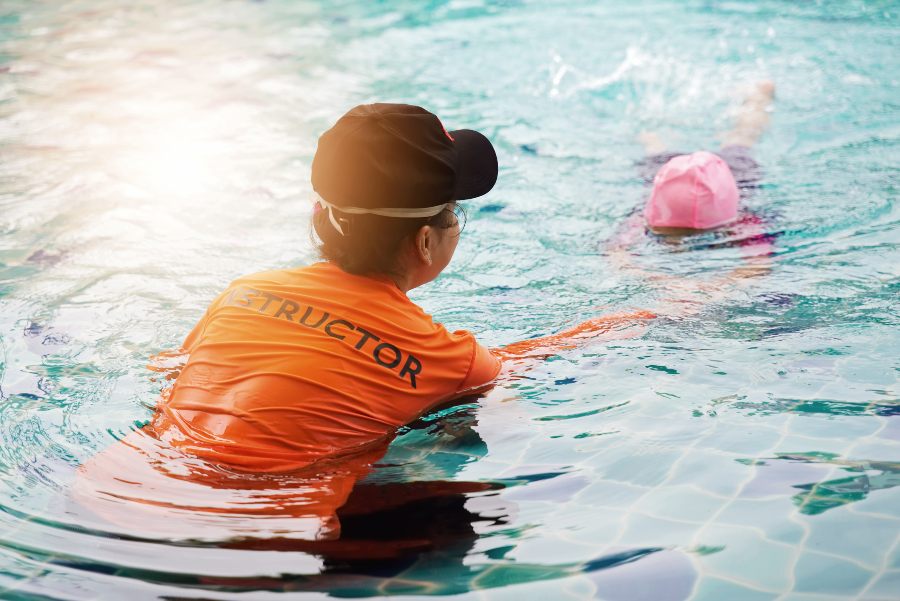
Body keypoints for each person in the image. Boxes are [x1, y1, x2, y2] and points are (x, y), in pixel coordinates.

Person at [72, 103, 653, 541]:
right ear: (426, 241)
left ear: (321, 215)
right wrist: (648, 316)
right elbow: (525, 370)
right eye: (456, 216)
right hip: (253, 539)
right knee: (471, 509)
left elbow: (172, 376)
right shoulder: (447, 357)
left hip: (107, 490)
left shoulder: (243, 293)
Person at [608, 81, 778, 294]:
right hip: (673, 173)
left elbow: (759, 267)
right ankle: (649, 132)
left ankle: (759, 97)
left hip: (735, 175)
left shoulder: (746, 223)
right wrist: (666, 283)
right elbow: (615, 254)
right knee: (656, 149)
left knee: (741, 138)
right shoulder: (641, 218)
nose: (676, 244)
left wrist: (706, 289)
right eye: (669, 235)